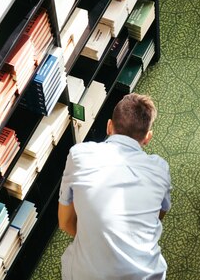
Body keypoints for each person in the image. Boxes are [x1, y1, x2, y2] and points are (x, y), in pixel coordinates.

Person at [58, 93, 172, 279]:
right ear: (147, 138)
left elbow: (65, 222)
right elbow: (159, 216)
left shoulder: (79, 156)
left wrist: (100, 240)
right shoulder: (160, 169)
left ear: (109, 126)